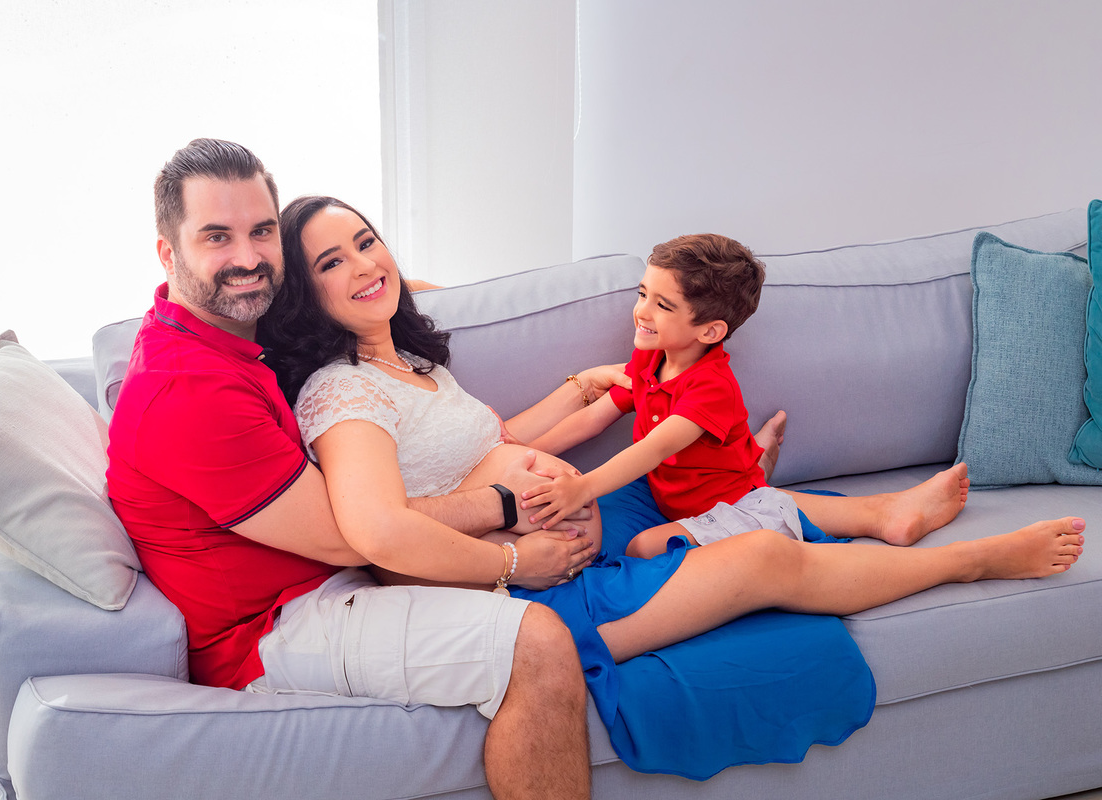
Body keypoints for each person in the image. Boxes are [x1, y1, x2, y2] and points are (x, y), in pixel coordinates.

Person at [259, 193, 1085, 779]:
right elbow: (383, 534)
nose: (364, 264)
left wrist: (581, 388)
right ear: (304, 291)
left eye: (367, 241)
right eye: (332, 261)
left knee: (714, 504)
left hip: (568, 542)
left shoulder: (409, 363)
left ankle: (874, 515)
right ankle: (969, 561)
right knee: (760, 555)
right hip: (523, 590)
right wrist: (518, 556)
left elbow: (496, 445)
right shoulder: (343, 396)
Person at [105, 139, 598, 799]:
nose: (247, 258)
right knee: (534, 644)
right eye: (217, 237)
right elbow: (355, 535)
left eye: (261, 232)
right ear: (169, 253)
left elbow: (350, 300)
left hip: (334, 578)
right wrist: (508, 533)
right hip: (278, 625)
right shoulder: (186, 388)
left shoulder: (224, 333)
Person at [517, 232, 972, 559]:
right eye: (643, 294)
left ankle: (888, 513)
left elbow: (653, 449)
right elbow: (594, 417)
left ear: (710, 331)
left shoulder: (711, 387)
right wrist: (520, 451)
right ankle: (757, 454)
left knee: (647, 547)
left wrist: (583, 487)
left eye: (662, 304)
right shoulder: (650, 357)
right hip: (681, 494)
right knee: (734, 485)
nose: (641, 312)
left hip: (728, 503)